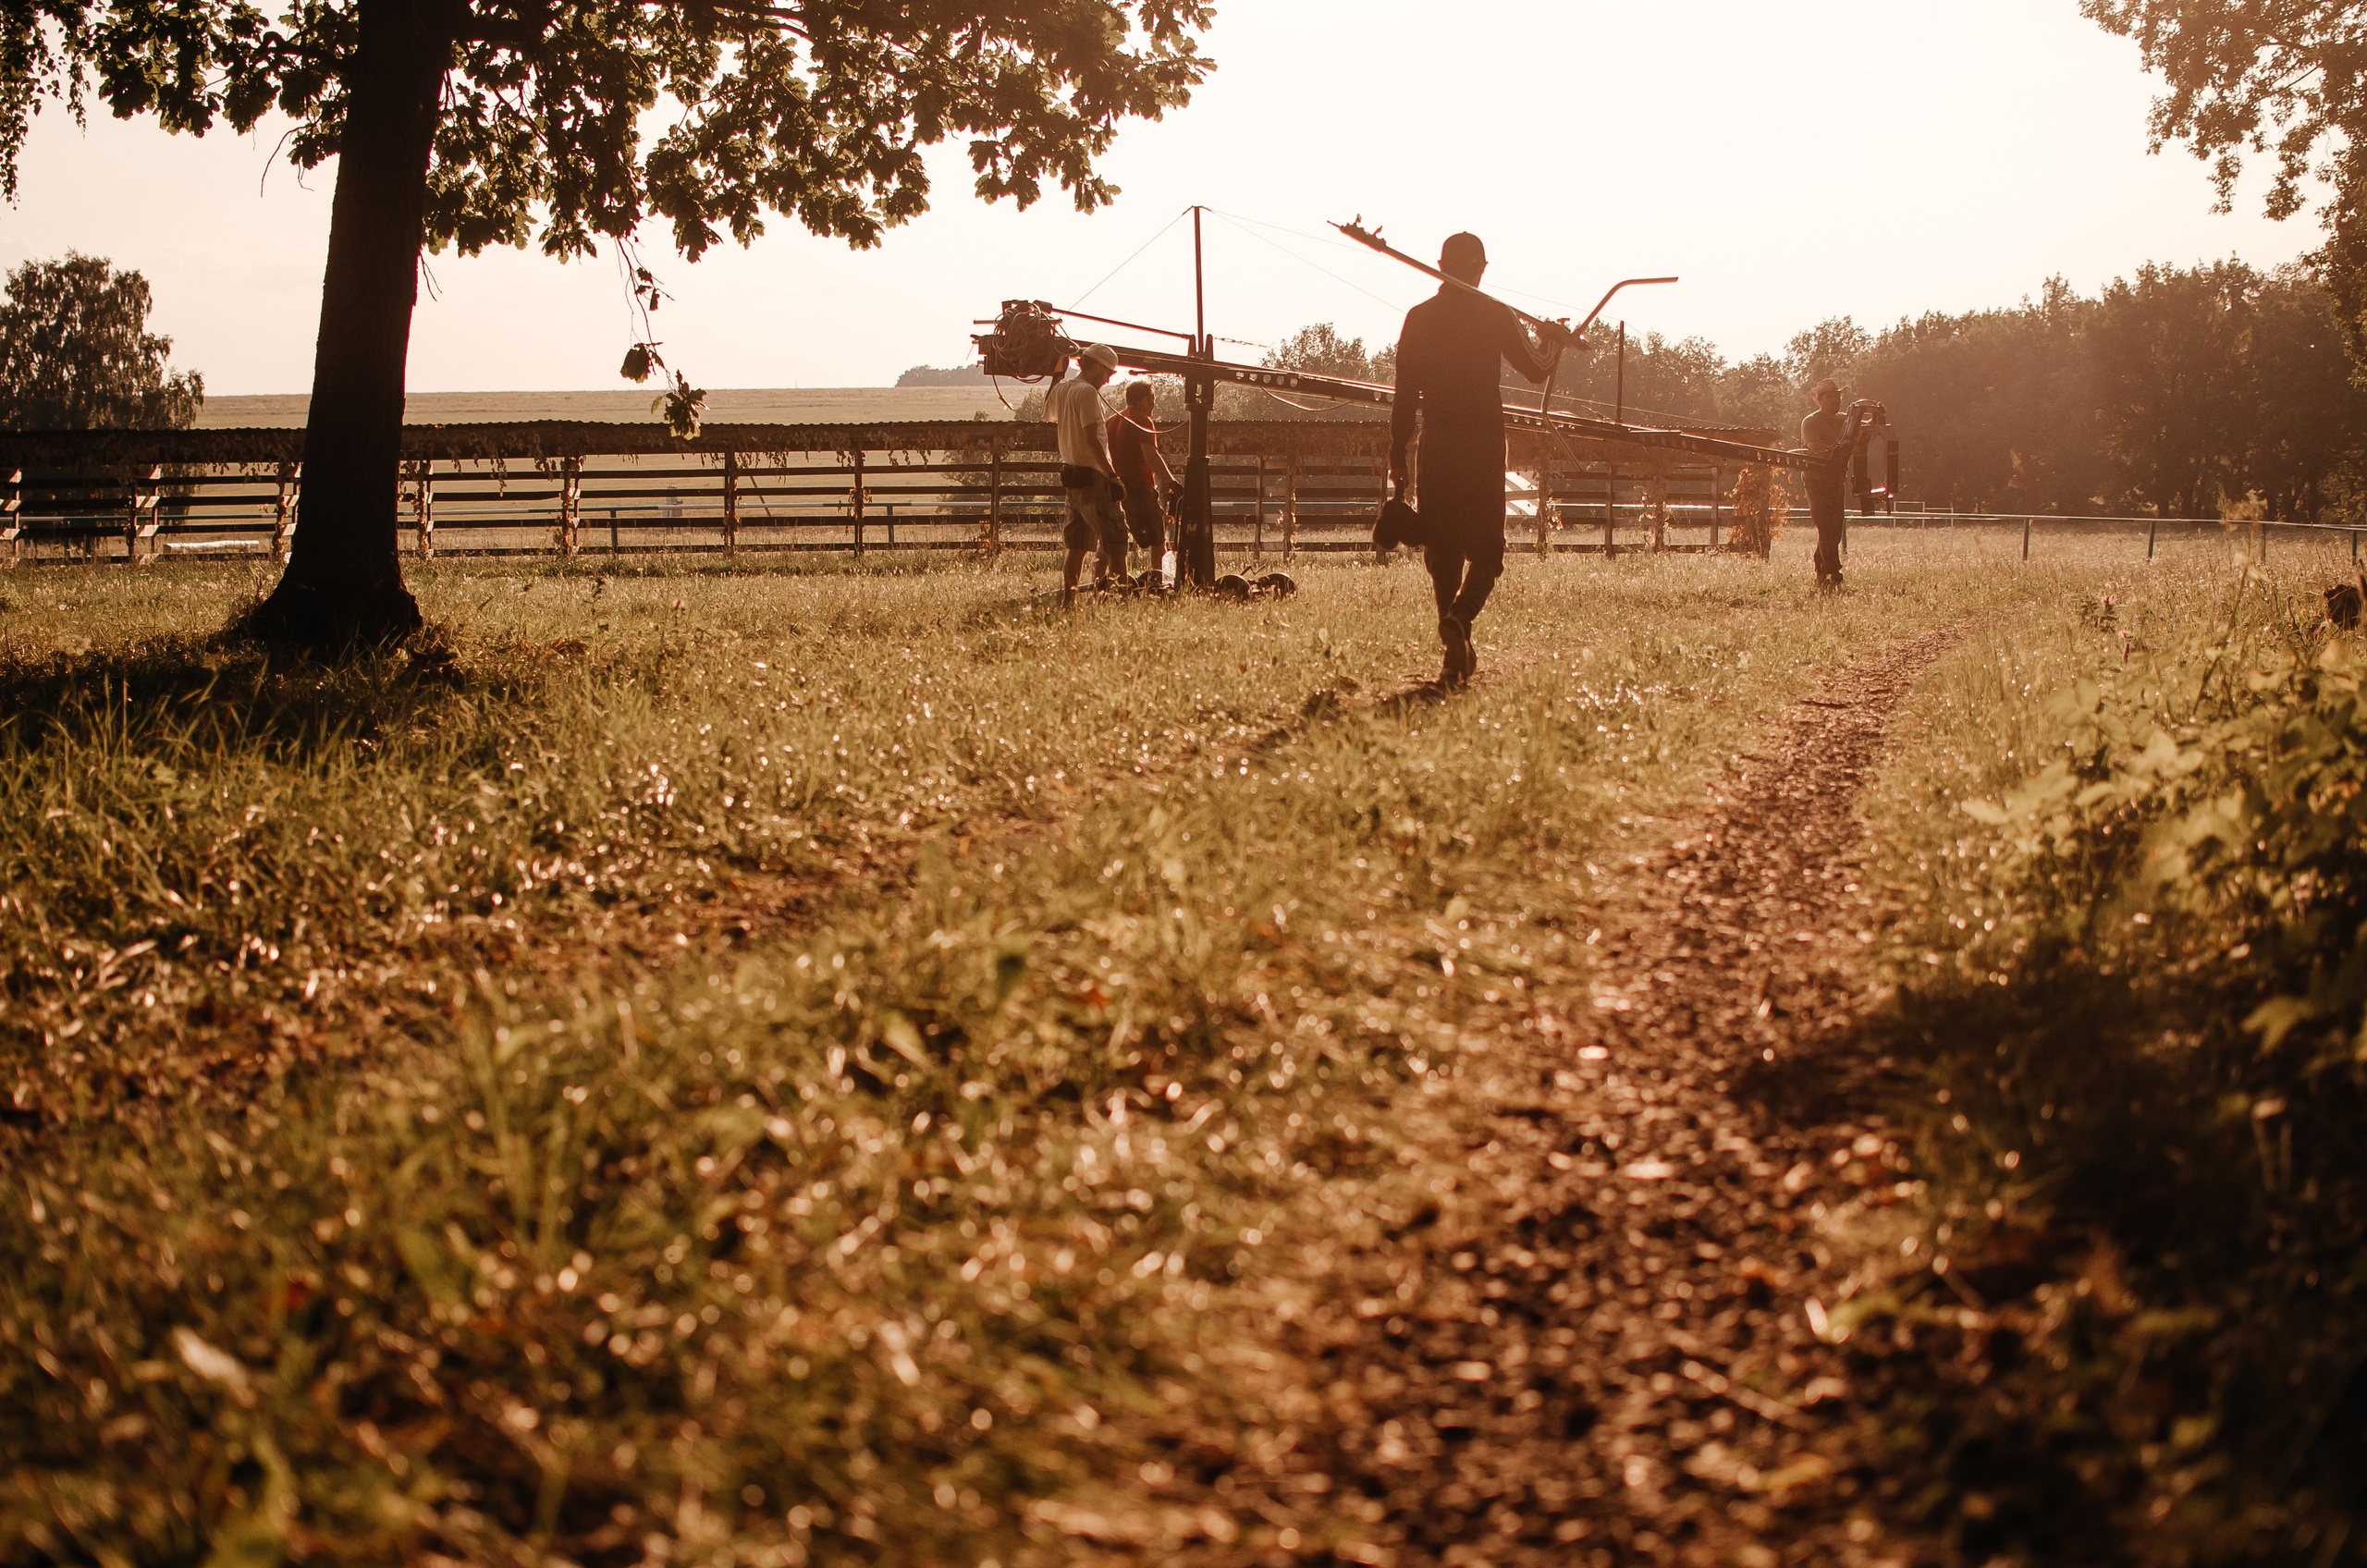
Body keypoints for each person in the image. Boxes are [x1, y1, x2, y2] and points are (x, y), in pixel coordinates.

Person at [1389, 232, 1567, 684]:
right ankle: (1461, 618)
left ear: (1440, 266)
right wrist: (1552, 339)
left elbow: (1404, 395)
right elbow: (1537, 368)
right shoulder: (1495, 314)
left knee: (1442, 547)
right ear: (1482, 269)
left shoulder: (1419, 318)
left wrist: (1397, 451)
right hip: (1484, 444)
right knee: (1488, 551)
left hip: (1437, 443)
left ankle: (1454, 652)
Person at [1047, 343, 1128, 603]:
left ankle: (1068, 603)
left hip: (1073, 477)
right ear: (1097, 367)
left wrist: (1056, 374)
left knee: (1078, 546)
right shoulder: (1088, 392)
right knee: (1116, 544)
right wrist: (1112, 475)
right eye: (1108, 373)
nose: (1107, 379)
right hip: (1095, 478)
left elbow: (1048, 412)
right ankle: (1121, 603)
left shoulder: (1063, 388)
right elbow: (1092, 439)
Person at [1107, 380, 1177, 582]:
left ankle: (1101, 579)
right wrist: (1171, 482)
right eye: (1152, 398)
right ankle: (1159, 579)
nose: (1154, 404)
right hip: (1139, 484)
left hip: (1117, 485)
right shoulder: (1142, 420)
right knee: (1157, 535)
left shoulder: (1112, 420)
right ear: (1145, 399)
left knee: (1112, 534)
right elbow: (1150, 455)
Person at [1799, 378, 1856, 589]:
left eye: (1838, 396)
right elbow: (1814, 445)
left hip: (1836, 480)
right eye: (1831, 397)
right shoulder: (1811, 422)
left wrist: (1876, 416)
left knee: (1834, 528)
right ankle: (1833, 572)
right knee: (1826, 525)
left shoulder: (1843, 420)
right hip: (1816, 481)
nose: (1836, 400)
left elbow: (1862, 429)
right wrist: (1838, 448)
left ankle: (1821, 571)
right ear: (1820, 399)